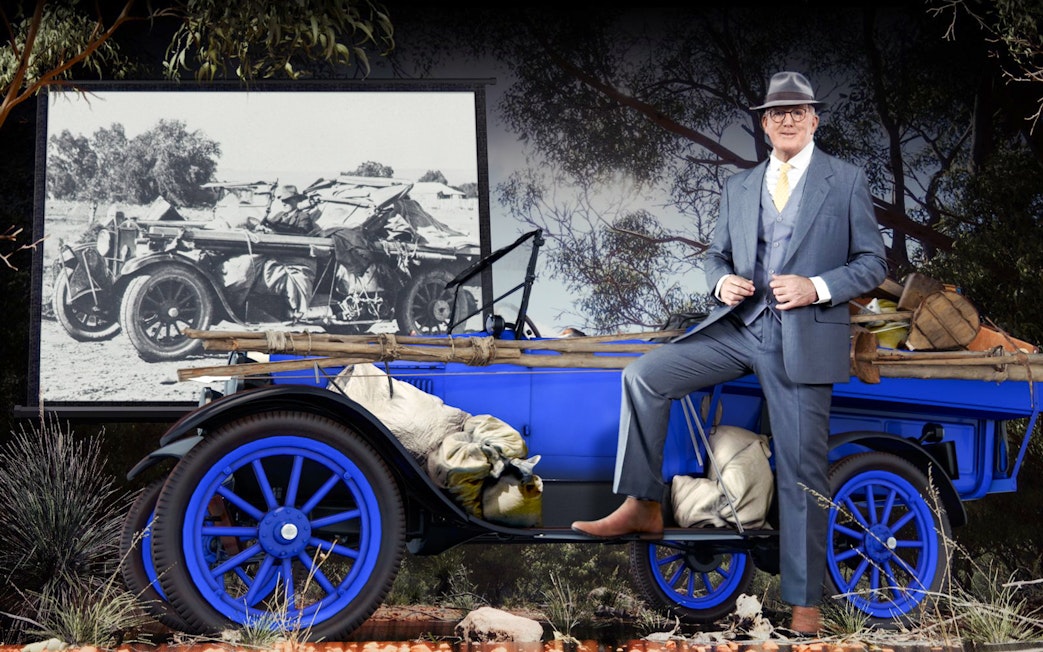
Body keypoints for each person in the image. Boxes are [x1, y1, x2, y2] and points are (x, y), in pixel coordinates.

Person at [570, 71, 888, 635]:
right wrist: (721, 284)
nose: (787, 119)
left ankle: (805, 605)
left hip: (804, 338)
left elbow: (872, 263)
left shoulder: (846, 180)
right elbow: (715, 256)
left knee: (801, 473)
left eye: (798, 110)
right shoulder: (740, 186)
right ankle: (643, 506)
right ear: (765, 125)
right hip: (742, 328)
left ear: (814, 119)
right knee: (645, 376)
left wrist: (815, 286)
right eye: (776, 112)